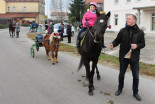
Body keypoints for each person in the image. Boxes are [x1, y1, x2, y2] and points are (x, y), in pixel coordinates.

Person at [109, 14, 145, 101]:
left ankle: (135, 92)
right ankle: (120, 89)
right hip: (123, 57)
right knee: (121, 75)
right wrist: (113, 44)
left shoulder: (140, 32)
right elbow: (117, 40)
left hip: (134, 57)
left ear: (134, 20)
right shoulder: (123, 30)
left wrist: (136, 46)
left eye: (129, 19)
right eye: (127, 19)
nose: (127, 20)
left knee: (136, 76)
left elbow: (143, 44)